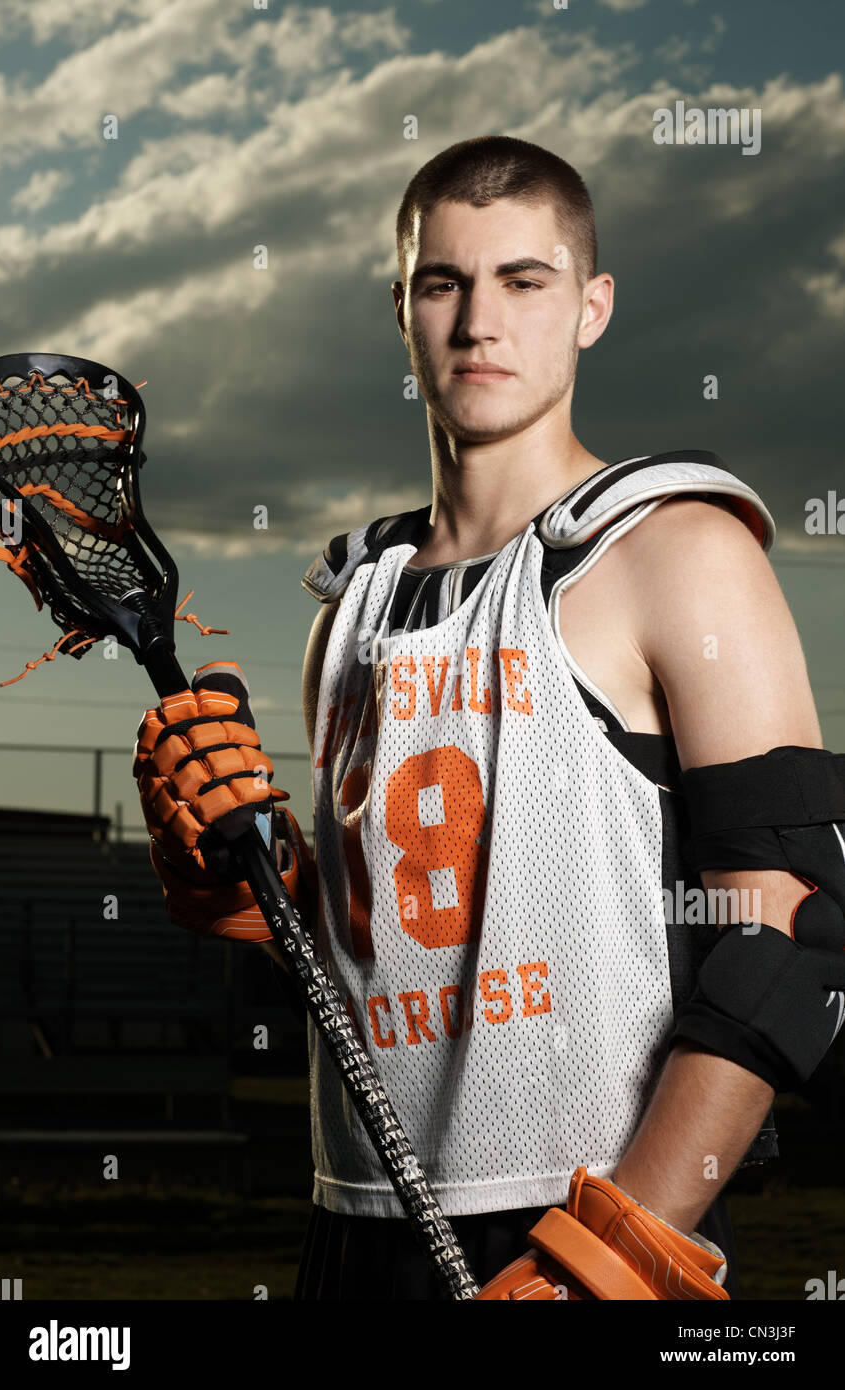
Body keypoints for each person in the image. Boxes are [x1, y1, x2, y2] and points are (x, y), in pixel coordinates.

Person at [135, 136, 843, 1302]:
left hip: (590, 1218)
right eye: (441, 282)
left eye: (524, 280)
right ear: (400, 310)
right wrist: (243, 888)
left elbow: (790, 941)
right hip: (355, 1217)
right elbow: (377, 951)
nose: (479, 322)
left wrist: (614, 1255)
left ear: (591, 307)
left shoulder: (674, 550)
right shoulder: (349, 605)